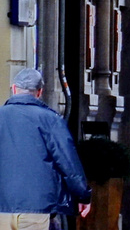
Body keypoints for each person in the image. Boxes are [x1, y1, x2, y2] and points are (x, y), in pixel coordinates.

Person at [0, 67, 91, 230]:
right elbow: (68, 163)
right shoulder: (50, 120)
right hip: (37, 206)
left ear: (13, 89)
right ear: (40, 92)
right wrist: (83, 195)